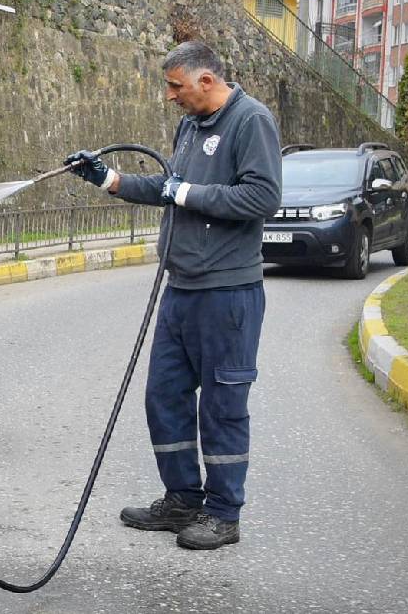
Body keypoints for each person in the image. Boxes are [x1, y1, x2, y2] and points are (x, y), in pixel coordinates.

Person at [66, 40, 281, 550]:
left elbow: (262, 196)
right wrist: (107, 178)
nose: (170, 96)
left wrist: (181, 193)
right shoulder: (190, 126)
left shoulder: (251, 122)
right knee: (164, 396)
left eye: (175, 85)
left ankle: (224, 514)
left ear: (206, 80)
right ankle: (182, 498)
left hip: (227, 293)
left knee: (222, 406)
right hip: (180, 289)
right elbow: (167, 186)